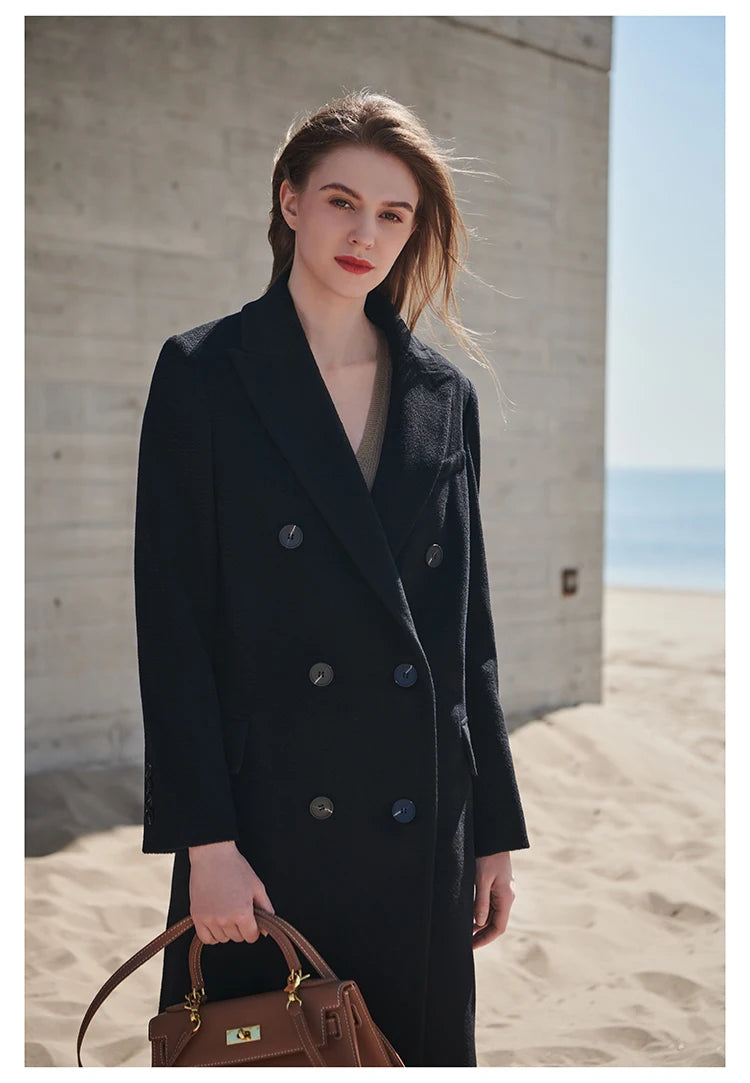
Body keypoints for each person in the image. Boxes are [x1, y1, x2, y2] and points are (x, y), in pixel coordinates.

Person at [134, 89, 529, 1069]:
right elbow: (173, 627)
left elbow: (466, 632)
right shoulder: (205, 374)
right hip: (266, 829)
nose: (366, 235)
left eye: (394, 214)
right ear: (290, 200)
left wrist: (493, 833)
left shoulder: (444, 396)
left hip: (419, 823)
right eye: (342, 202)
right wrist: (205, 845)